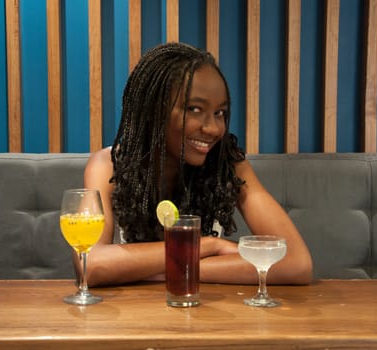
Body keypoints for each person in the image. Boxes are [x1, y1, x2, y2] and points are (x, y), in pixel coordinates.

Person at [84, 42, 312, 286]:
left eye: (220, 113)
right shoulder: (108, 166)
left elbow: (296, 263)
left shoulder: (228, 165)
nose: (213, 128)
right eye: (194, 109)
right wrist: (207, 245)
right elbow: (90, 264)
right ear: (154, 111)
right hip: (133, 316)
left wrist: (169, 269)